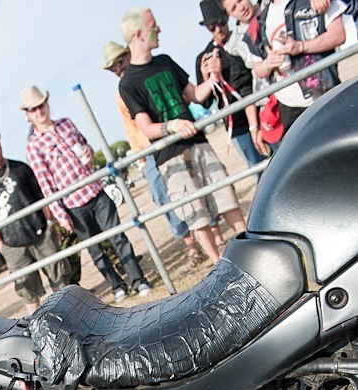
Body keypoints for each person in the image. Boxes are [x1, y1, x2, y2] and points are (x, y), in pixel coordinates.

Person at [119, 6, 246, 265]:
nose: (159, 30)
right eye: (153, 26)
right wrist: (173, 126)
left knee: (226, 196)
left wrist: (213, 77)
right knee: (195, 213)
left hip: (198, 142)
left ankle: (249, 249)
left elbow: (195, 95)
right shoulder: (127, 82)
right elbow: (146, 128)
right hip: (169, 157)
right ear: (138, 35)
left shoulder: (165, 61)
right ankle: (218, 266)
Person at [22, 86, 150, 303]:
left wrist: (88, 152)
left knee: (118, 236)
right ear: (28, 115)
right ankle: (117, 285)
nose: (39, 111)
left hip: (96, 190)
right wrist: (60, 214)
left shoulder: (66, 123)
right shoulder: (33, 146)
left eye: (40, 105)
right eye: (33, 109)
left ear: (47, 103)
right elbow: (45, 183)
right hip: (73, 204)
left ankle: (138, 280)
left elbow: (85, 146)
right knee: (95, 250)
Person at [102, 41, 205, 269]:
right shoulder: (124, 89)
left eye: (119, 61)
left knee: (190, 189)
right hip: (146, 153)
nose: (117, 69)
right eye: (112, 68)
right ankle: (192, 247)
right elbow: (133, 128)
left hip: (164, 144)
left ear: (129, 54)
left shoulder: (142, 77)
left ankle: (205, 240)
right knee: (164, 198)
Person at [0, 129, 74, 315]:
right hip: (12, 245)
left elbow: (40, 197)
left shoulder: (20, 168)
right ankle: (39, 328)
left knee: (59, 279)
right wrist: (0, 245)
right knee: (27, 291)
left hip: (40, 233)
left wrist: (50, 224)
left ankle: (69, 317)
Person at [244, 0, 347, 133]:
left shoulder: (315, 2)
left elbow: (338, 35)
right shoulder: (259, 21)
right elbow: (258, 70)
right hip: (290, 108)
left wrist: (301, 46)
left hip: (328, 96)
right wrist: (267, 64)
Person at [195, 0, 269, 168]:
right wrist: (208, 78)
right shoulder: (205, 57)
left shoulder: (242, 39)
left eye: (220, 22)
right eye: (211, 26)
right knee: (259, 170)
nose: (218, 29)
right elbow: (205, 102)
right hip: (237, 126)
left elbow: (248, 83)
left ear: (227, 17)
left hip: (261, 112)